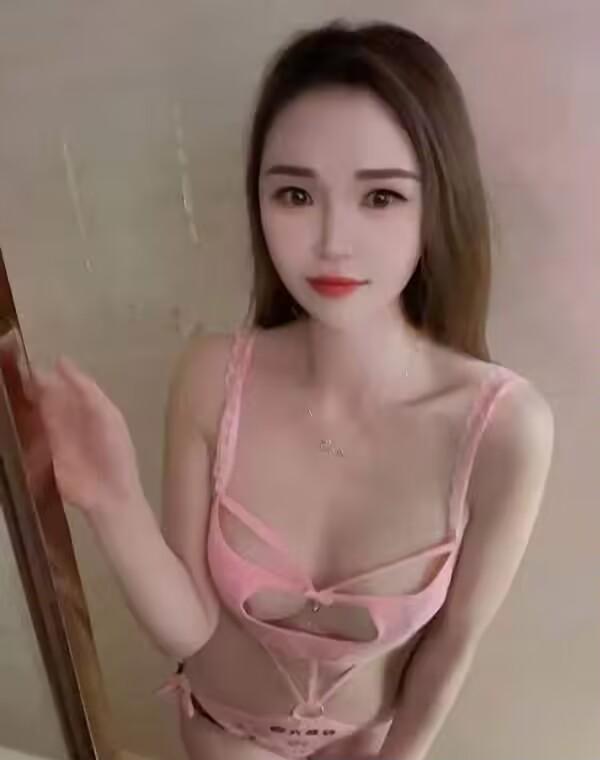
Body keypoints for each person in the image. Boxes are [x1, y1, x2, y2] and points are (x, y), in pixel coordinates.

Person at [23, 18, 555, 760]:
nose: (333, 241)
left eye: (381, 198)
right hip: (222, 737)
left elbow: (452, 642)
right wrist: (114, 500)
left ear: (439, 204)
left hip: (367, 746)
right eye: (296, 195)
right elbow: (189, 629)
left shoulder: (504, 428)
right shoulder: (212, 377)